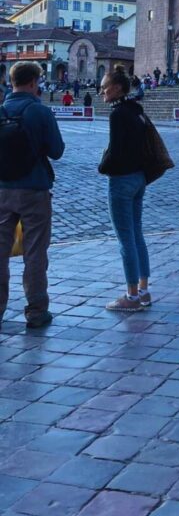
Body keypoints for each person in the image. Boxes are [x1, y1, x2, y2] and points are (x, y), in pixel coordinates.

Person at [0, 61, 65, 328]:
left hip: (2, 190)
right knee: (35, 252)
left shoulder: (1, 110)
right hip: (35, 189)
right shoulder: (40, 112)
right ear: (33, 83)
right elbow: (57, 151)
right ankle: (37, 310)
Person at [98, 68, 152, 311]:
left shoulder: (117, 114)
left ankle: (131, 296)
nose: (101, 92)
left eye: (105, 87)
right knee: (137, 234)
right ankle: (143, 290)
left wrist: (102, 165)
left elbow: (116, 152)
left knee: (125, 239)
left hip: (121, 179)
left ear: (118, 88)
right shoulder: (136, 109)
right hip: (139, 177)